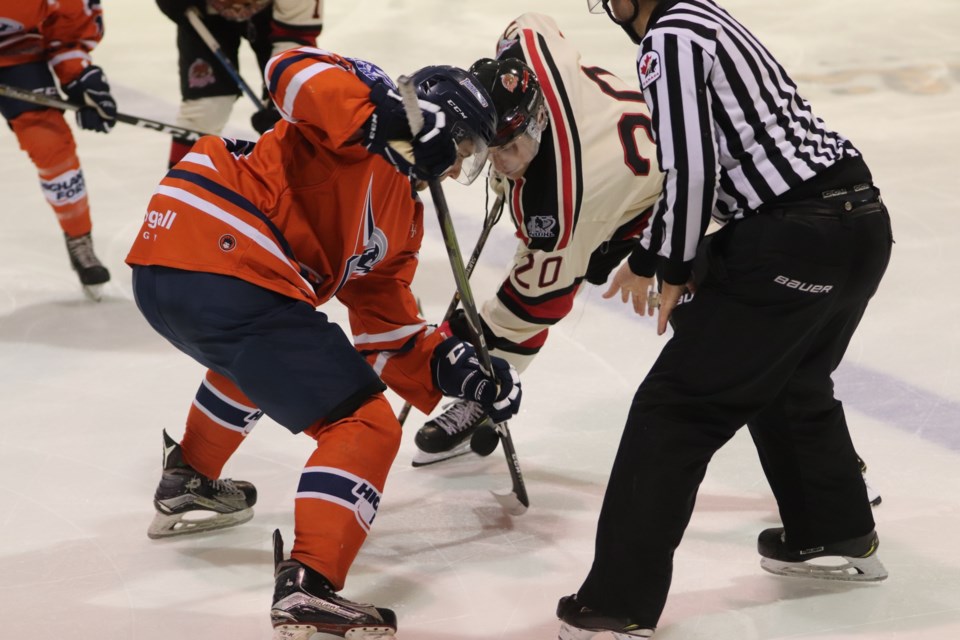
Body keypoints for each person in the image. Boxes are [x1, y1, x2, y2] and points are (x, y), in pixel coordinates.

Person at [126, 47, 521, 638]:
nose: (450, 167)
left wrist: (457, 369)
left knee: (266, 363)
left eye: (464, 160)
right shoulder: (364, 113)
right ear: (435, 119)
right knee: (366, 425)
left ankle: (190, 478)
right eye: (459, 148)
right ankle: (309, 586)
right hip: (226, 255)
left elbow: (386, 332)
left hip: (177, 269)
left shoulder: (403, 220)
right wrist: (387, 117)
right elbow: (289, 69)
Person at [558, 1, 893, 637]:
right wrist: (654, 252)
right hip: (862, 226)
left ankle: (616, 604)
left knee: (675, 409)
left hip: (794, 238)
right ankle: (834, 531)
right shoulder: (710, 18)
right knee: (791, 379)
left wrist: (672, 266)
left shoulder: (669, 40)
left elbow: (692, 167)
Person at [412, 12, 663, 466]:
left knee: (530, 306)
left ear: (537, 121)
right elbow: (529, 24)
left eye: (509, 148)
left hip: (664, 205)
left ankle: (486, 399)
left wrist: (457, 350)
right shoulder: (531, 60)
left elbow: (534, 306)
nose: (500, 162)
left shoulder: (559, 209)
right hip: (630, 141)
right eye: (489, 149)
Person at [0, 0, 117, 300]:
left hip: (17, 53)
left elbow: (68, 33)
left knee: (52, 145)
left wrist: (79, 78)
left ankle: (79, 238)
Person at [155, 0, 323, 167]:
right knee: (205, 109)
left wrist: (280, 99)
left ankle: (297, 183)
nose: (236, 9)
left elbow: (294, 41)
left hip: (273, 16)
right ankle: (181, 189)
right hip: (204, 13)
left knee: (287, 108)